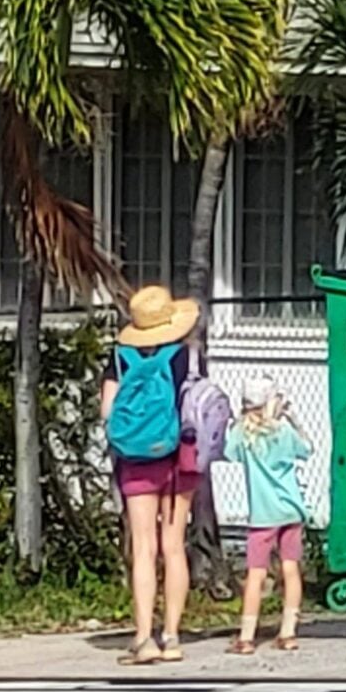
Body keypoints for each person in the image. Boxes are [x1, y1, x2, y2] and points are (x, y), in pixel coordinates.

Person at [101, 284, 201, 666]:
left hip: (137, 460)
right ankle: (172, 636)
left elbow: (107, 411)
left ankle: (143, 638)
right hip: (179, 461)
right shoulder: (186, 356)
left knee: (143, 547)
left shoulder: (119, 357)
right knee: (173, 545)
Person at [226, 379, 312, 654]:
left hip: (263, 515)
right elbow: (307, 450)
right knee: (290, 568)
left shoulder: (243, 434)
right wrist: (290, 417)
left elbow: (228, 453)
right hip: (291, 510)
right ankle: (288, 632)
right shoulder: (284, 431)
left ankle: (247, 637)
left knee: (256, 574)